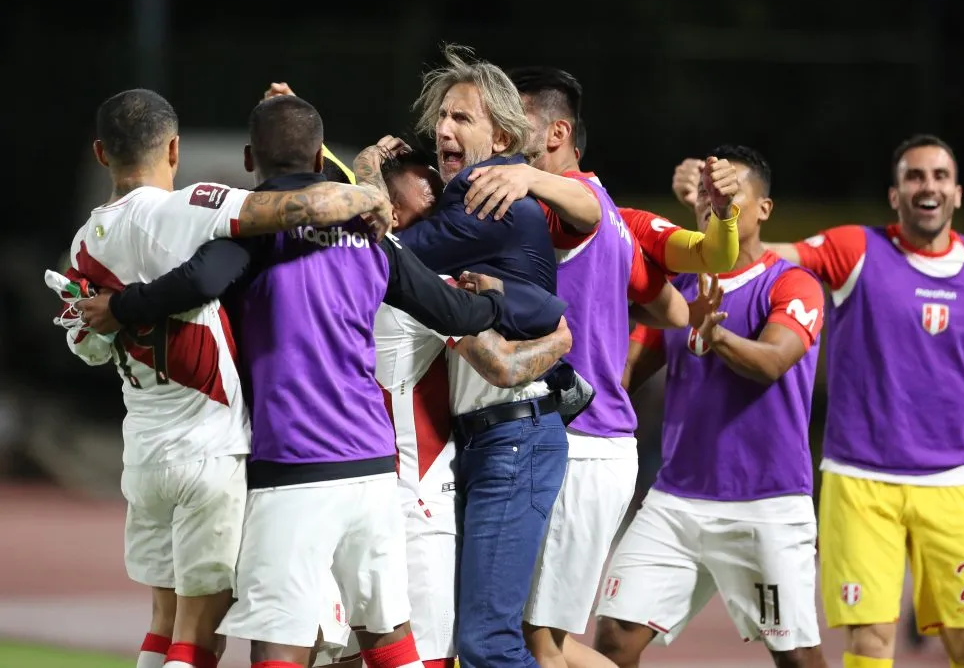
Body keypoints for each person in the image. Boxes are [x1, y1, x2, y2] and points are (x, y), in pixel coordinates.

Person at [76, 94, 561, 668]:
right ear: (317, 153)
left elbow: (199, 281)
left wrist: (123, 305)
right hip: (375, 471)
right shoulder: (374, 235)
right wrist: (510, 303)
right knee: (390, 640)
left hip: (292, 471)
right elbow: (454, 313)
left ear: (251, 158)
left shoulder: (250, 235)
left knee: (279, 648)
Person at [49, 88, 393, 668]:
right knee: (198, 638)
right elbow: (295, 209)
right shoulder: (188, 207)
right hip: (207, 449)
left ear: (101, 154)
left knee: (162, 625)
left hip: (143, 452)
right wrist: (366, 191)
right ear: (175, 147)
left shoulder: (85, 245)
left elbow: (85, 348)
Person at [454, 65, 741, 668]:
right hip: (585, 441)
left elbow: (708, 253)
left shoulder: (569, 206)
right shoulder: (616, 222)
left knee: (537, 643)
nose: (504, 130)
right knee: (536, 639)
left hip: (579, 442)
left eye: (518, 119)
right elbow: (673, 307)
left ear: (556, 134)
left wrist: (720, 216)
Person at [762, 134, 964, 668]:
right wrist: (721, 216)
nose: (928, 186)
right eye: (914, 176)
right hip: (860, 481)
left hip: (951, 482)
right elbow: (769, 256)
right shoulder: (855, 249)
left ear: (956, 193)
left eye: (939, 177)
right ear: (894, 194)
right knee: (871, 644)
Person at [313, 149, 577, 668]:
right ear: (386, 200)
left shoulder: (325, 272)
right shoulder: (419, 283)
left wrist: (361, 163)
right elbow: (500, 366)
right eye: (425, 187)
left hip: (339, 485)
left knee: (338, 651)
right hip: (417, 495)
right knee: (427, 655)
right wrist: (561, 341)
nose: (438, 196)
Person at [593, 145, 830, 668]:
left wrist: (715, 336)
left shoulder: (792, 284)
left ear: (763, 209)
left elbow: (771, 361)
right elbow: (623, 372)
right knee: (613, 641)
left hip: (766, 504)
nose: (713, 202)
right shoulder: (678, 288)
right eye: (706, 193)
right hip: (676, 501)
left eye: (729, 192)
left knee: (797, 658)